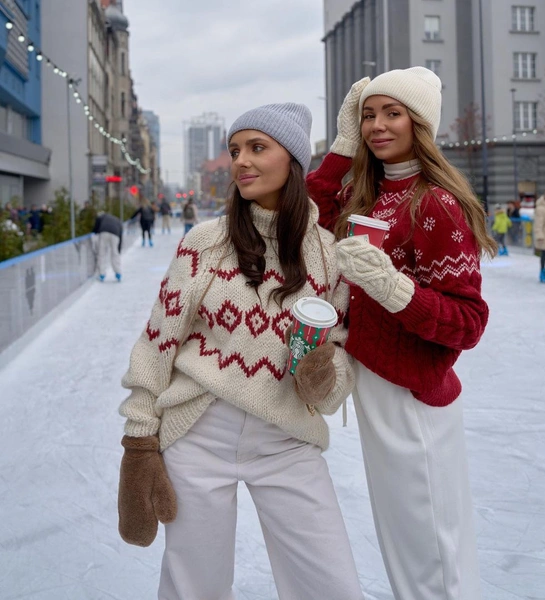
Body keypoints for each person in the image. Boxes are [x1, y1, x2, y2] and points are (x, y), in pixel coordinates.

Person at [118, 102, 364, 600]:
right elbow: (158, 341)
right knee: (195, 587)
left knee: (330, 583)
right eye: (235, 150)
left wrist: (328, 375)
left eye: (257, 148)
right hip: (198, 438)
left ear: (292, 161)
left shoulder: (328, 254)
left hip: (287, 440)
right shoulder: (204, 243)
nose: (241, 161)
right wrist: (139, 442)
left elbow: (339, 350)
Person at [306, 67, 496, 600]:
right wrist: (343, 145)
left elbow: (468, 322)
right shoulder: (368, 196)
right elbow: (310, 211)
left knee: (429, 540)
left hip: (412, 394)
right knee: (402, 536)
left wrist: (393, 289)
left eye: (392, 113)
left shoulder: (435, 203)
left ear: (420, 123)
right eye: (369, 115)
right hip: (374, 379)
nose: (377, 126)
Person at [93, 211, 123, 282]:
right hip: (115, 234)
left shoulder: (103, 216)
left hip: (104, 232)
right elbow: (121, 235)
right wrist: (119, 249)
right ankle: (118, 272)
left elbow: (97, 222)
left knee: (102, 253)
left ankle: (102, 274)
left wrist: (94, 231)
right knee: (115, 253)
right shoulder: (118, 221)